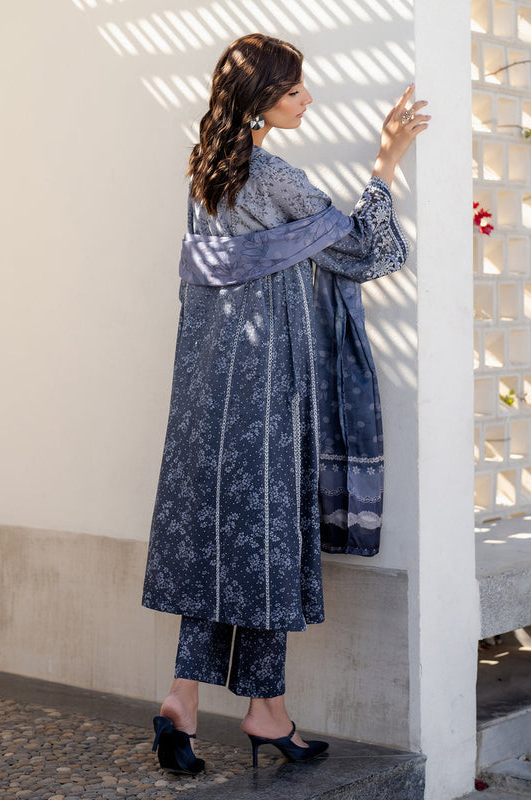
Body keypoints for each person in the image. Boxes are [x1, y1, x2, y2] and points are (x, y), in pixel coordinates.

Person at [142, 32, 429, 775]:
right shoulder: (270, 176)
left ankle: (192, 700)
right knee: (267, 545)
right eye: (295, 89)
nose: (307, 99)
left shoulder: (206, 172)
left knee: (221, 545)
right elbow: (367, 251)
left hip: (207, 395)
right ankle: (260, 711)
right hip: (267, 391)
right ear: (260, 98)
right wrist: (386, 159)